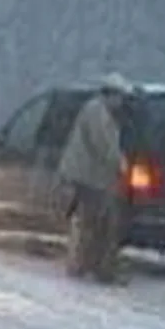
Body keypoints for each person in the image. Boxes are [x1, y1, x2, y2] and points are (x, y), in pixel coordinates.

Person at [58, 72, 133, 283]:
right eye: (120, 97)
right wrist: (121, 165)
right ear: (111, 94)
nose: (121, 102)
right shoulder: (98, 112)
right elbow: (103, 144)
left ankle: (85, 266)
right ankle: (99, 270)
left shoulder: (97, 110)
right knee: (101, 225)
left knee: (90, 224)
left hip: (90, 177)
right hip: (90, 178)